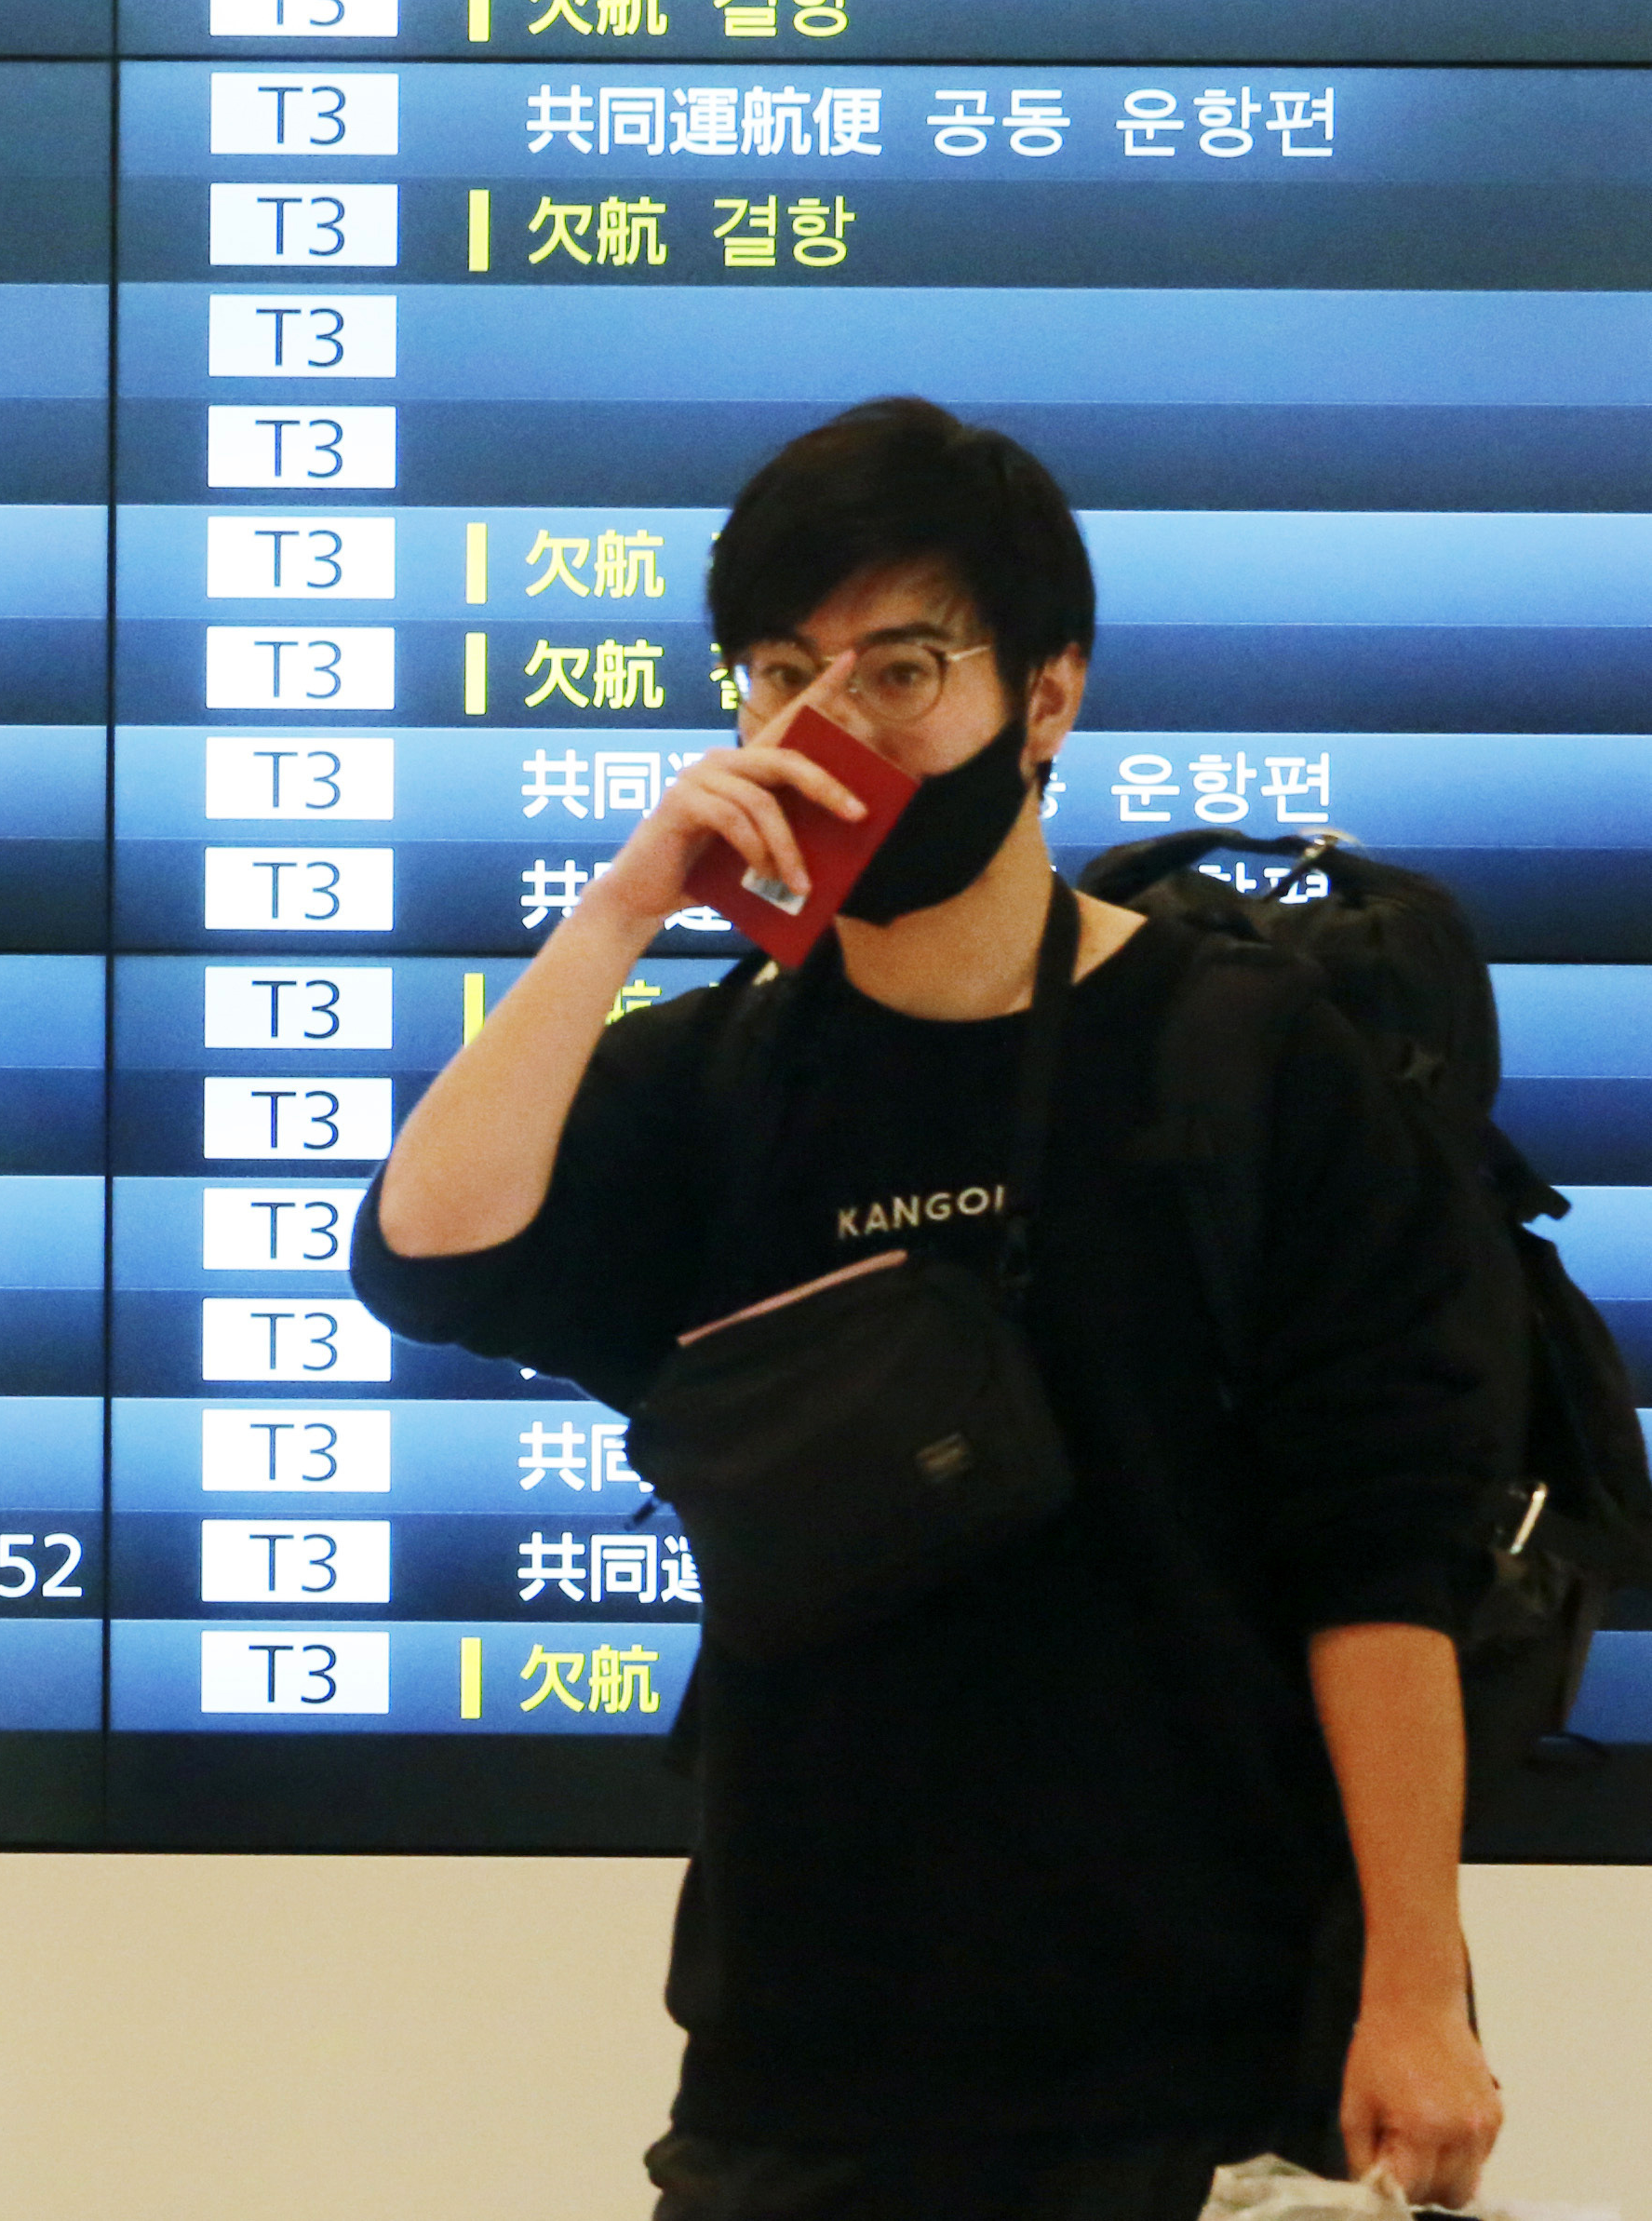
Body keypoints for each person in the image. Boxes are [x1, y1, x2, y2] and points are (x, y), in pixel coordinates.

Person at [353, 397, 1523, 2221]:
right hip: (809, 2066)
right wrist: (626, 904)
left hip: (1203, 2059)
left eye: (904, 665)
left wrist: (1417, 1988)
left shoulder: (1245, 1055)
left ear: (1045, 694)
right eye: (781, 672)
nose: (834, 726)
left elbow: (1379, 1552)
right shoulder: (719, 1080)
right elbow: (425, 1253)